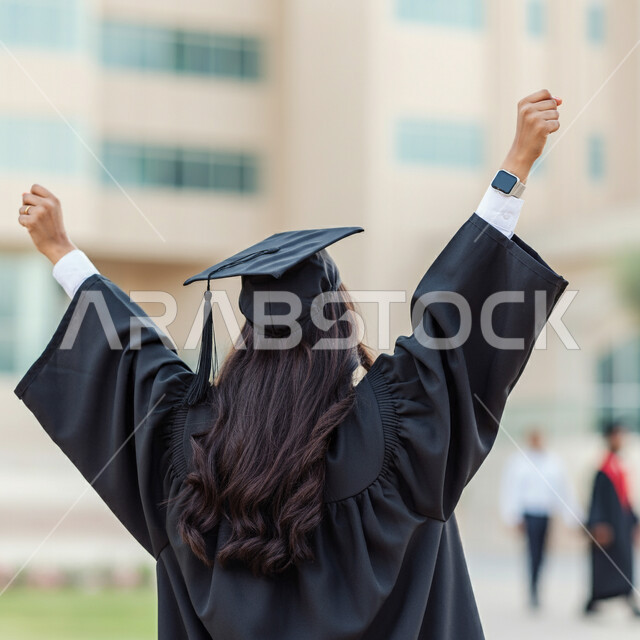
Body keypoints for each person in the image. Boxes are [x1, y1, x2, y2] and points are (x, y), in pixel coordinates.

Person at [15, 90, 566, 639]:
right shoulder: (399, 429)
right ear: (340, 326)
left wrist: (63, 252)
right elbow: (452, 330)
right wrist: (515, 165)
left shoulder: (188, 448)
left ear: (250, 336)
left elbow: (133, 357)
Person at [500, 428, 582, 609]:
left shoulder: (553, 462)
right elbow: (510, 489)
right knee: (532, 551)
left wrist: (572, 517)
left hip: (546, 514)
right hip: (529, 514)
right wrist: (513, 516)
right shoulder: (519, 462)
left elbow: (564, 490)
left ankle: (538, 584)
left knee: (543, 552)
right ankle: (532, 588)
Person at [585, 421, 640, 617]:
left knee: (625, 561)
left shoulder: (620, 465)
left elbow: (626, 498)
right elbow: (596, 499)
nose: (620, 439)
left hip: (623, 523)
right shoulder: (604, 469)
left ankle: (627, 595)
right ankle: (594, 599)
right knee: (604, 563)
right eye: (617, 435)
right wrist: (598, 524)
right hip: (609, 525)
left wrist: (635, 521)